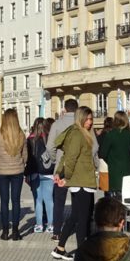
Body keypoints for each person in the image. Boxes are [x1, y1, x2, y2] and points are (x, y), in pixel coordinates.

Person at [51, 106, 98, 261]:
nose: (91, 122)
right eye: (88, 119)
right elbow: (70, 158)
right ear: (81, 118)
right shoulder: (78, 134)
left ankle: (60, 248)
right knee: (83, 218)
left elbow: (65, 156)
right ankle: (82, 253)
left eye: (92, 119)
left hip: (81, 179)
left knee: (75, 216)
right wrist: (66, 177)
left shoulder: (81, 133)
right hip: (81, 180)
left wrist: (59, 172)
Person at [0, 108, 29, 241]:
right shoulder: (20, 134)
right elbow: (25, 155)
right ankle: (16, 231)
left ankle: (5, 231)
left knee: (4, 201)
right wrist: (21, 164)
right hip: (17, 171)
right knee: (16, 201)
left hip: (2, 172)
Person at [44, 98, 79, 239]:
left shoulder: (57, 124)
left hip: (61, 167)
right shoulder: (81, 124)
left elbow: (50, 146)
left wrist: (55, 159)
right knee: (77, 200)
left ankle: (57, 231)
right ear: (77, 110)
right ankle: (78, 227)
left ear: (64, 109)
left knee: (59, 201)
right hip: (78, 167)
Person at [98, 111, 130, 198]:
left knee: (114, 200)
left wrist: (110, 160)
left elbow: (102, 154)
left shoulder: (110, 135)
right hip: (129, 171)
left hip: (113, 172)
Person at [27, 118, 54, 233]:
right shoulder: (49, 138)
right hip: (48, 172)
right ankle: (50, 225)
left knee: (37, 200)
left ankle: (39, 225)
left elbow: (28, 159)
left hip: (34, 172)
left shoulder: (30, 139)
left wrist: (26, 174)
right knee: (49, 199)